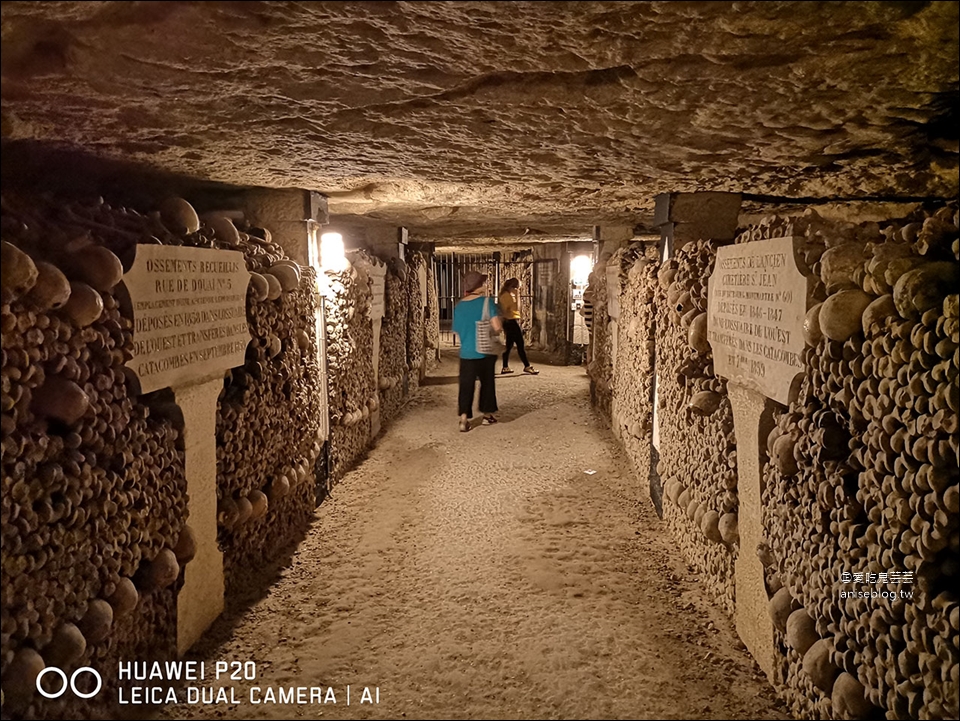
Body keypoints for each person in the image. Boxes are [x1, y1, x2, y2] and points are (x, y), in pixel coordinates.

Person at [452, 270, 502, 432]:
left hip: (466, 353)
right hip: (484, 352)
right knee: (487, 383)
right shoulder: (487, 303)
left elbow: (457, 330)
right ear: (480, 286)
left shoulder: (459, 306)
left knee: (466, 386)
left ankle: (464, 419)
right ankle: (487, 415)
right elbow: (497, 327)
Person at [497, 278, 538, 375]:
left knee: (509, 345)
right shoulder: (506, 296)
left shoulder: (509, 295)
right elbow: (508, 309)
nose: (519, 289)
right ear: (513, 286)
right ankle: (527, 366)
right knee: (520, 344)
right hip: (510, 321)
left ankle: (505, 367)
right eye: (518, 287)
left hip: (510, 321)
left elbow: (516, 308)